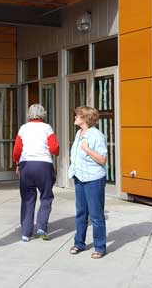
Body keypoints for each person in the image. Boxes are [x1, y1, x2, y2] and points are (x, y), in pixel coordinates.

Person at [13, 104, 59, 242]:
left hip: (26, 165)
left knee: (27, 198)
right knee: (46, 196)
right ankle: (41, 226)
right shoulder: (47, 127)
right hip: (44, 165)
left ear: (29, 115)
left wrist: (17, 164)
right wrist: (56, 153)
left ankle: (26, 233)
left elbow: (16, 150)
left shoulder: (23, 128)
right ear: (43, 114)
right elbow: (54, 147)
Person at [68, 106, 107, 259]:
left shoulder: (97, 136)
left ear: (85, 118)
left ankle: (100, 247)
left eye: (78, 115)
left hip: (93, 179)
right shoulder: (79, 133)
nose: (75, 117)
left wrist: (87, 149)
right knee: (81, 213)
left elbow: (103, 159)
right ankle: (79, 243)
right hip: (80, 177)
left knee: (96, 215)